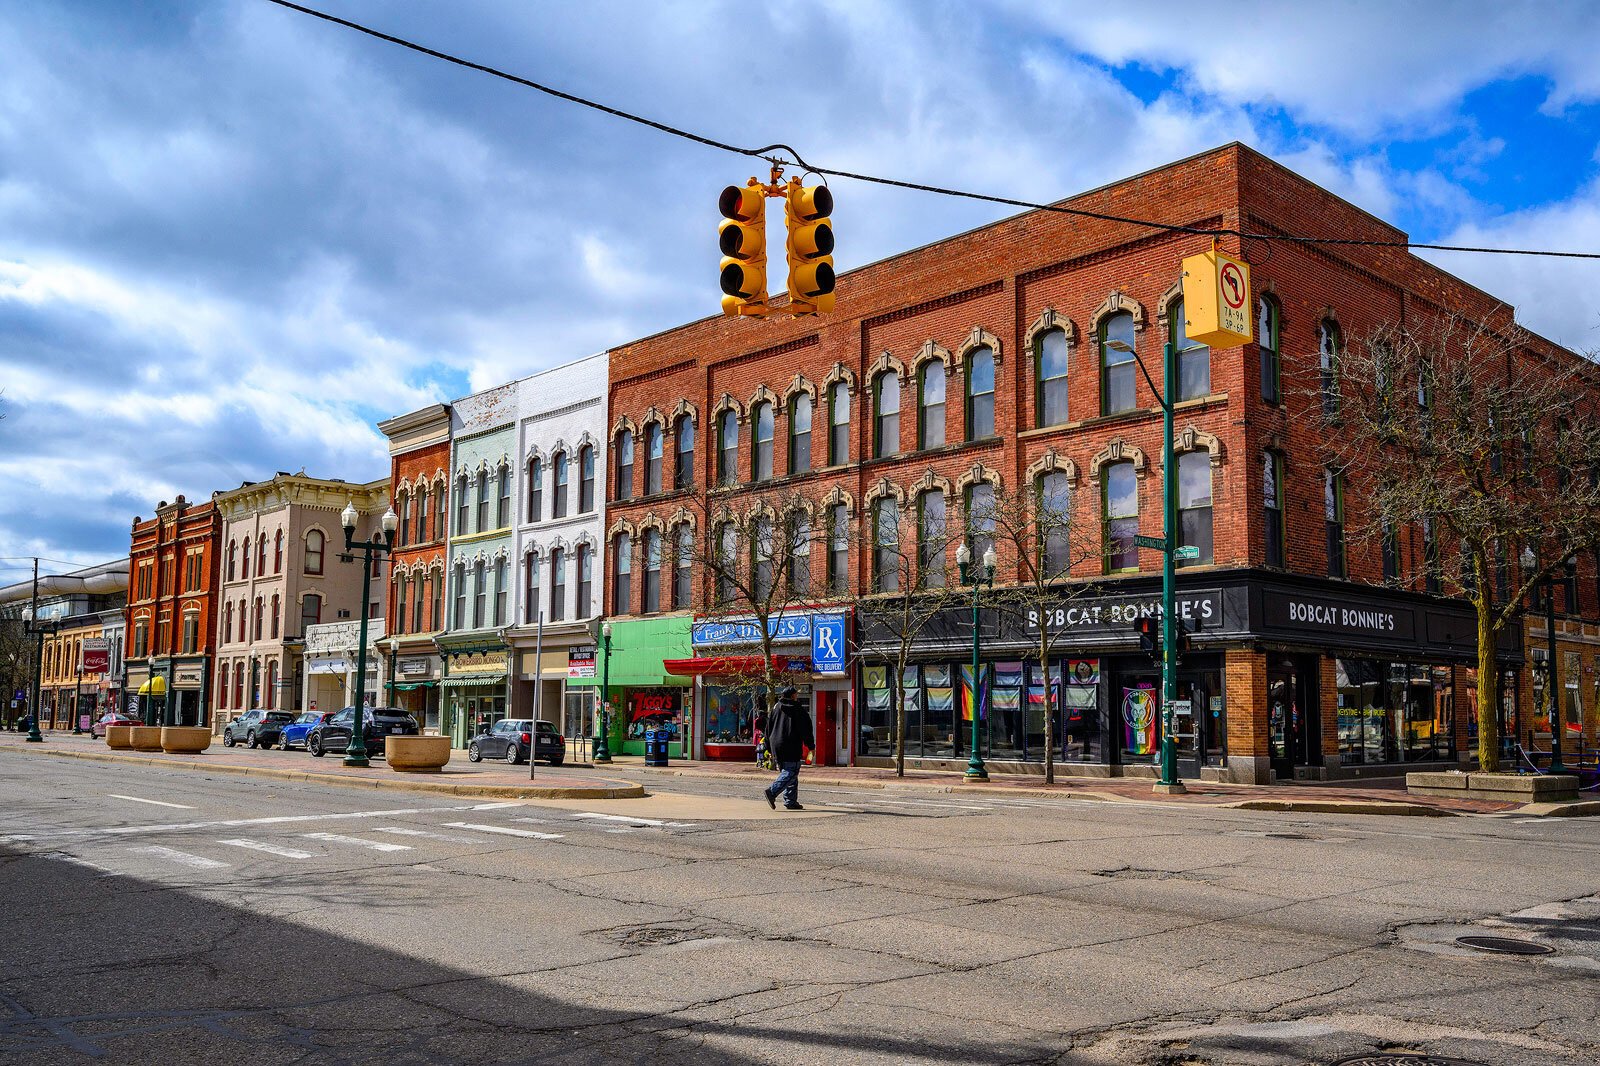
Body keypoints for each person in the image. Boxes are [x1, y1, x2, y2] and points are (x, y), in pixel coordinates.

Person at [762, 686, 812, 811]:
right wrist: (811, 746)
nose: (797, 697)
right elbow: (806, 729)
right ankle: (772, 792)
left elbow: (768, 728)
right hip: (791, 744)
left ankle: (790, 801)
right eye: (796, 695)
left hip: (776, 745)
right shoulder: (798, 709)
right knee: (791, 771)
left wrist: (767, 746)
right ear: (792, 696)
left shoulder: (775, 708)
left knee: (787, 771)